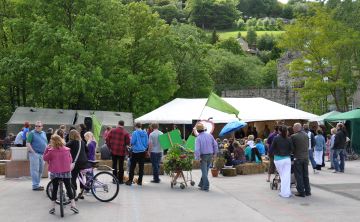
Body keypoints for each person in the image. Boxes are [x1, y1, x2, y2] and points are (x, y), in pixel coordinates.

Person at [43, 135, 78, 214]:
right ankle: (73, 205)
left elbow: (44, 158)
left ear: (53, 142)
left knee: (55, 189)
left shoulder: (51, 151)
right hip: (66, 172)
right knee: (69, 188)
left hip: (55, 173)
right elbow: (71, 160)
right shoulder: (67, 150)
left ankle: (52, 207)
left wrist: (47, 148)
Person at [194, 123, 218, 192]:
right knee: (205, 171)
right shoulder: (210, 135)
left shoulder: (198, 138)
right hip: (210, 155)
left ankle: (206, 186)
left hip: (203, 156)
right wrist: (215, 153)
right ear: (203, 129)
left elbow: (197, 149)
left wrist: (197, 158)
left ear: (198, 131)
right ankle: (201, 184)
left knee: (204, 172)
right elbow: (215, 145)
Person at [272, 125, 293, 198]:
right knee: (286, 176)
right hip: (287, 159)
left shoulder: (276, 138)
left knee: (283, 176)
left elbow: (272, 148)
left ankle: (284, 192)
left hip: (278, 159)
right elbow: (292, 149)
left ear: (279, 131)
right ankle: (286, 192)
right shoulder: (289, 139)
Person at [66, 129, 88, 198]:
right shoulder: (82, 142)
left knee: (73, 177)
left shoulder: (71, 142)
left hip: (76, 163)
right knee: (81, 176)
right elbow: (87, 150)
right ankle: (81, 193)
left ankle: (73, 193)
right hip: (84, 162)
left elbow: (64, 149)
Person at [26, 121, 48, 191]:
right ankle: (35, 185)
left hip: (43, 154)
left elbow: (45, 143)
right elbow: (28, 143)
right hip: (34, 154)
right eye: (36, 126)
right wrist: (33, 152)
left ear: (42, 127)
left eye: (39, 126)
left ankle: (37, 184)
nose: (37, 127)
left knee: (40, 170)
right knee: (35, 170)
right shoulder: (31, 133)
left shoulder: (44, 133)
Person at [291, 123, 311, 197]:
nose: (293, 128)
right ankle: (308, 191)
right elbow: (308, 146)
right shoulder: (306, 135)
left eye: (293, 127)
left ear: (296, 128)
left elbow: (292, 148)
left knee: (299, 175)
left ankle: (301, 191)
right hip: (305, 157)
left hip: (298, 158)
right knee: (305, 175)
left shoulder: (293, 136)